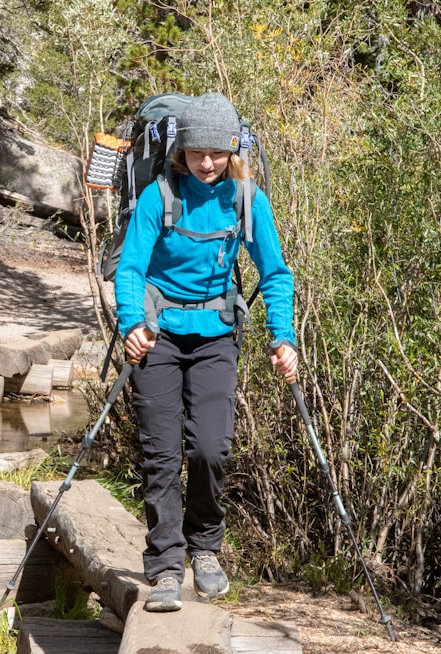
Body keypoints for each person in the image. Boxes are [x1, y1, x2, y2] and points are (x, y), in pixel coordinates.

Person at [114, 93, 299, 612]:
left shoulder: (245, 199)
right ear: (182, 151)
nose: (208, 162)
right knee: (161, 453)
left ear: (232, 150)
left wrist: (281, 336)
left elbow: (275, 273)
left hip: (217, 332)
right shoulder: (159, 196)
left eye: (217, 152)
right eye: (198, 152)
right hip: (158, 334)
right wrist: (132, 323)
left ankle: (206, 548)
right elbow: (130, 269)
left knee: (211, 449)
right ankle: (167, 564)